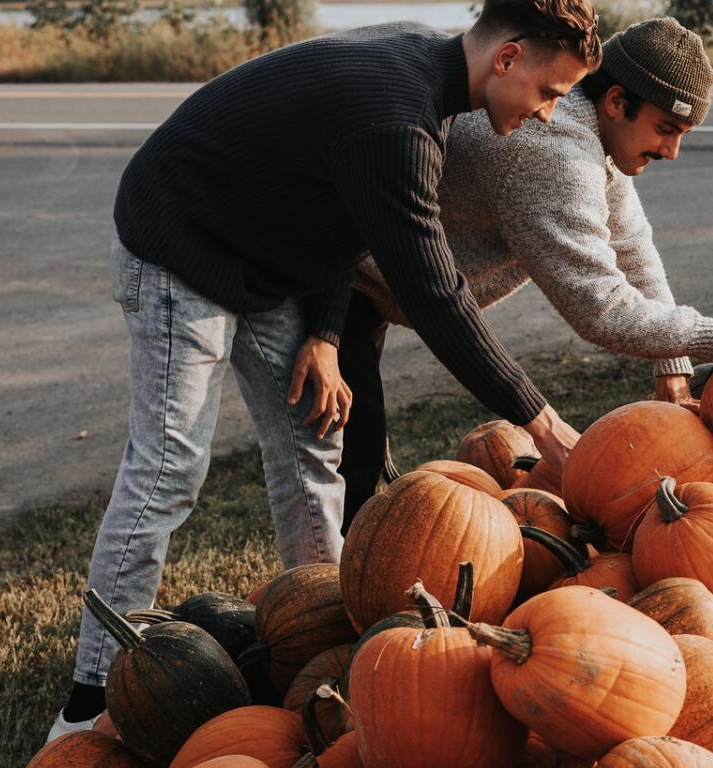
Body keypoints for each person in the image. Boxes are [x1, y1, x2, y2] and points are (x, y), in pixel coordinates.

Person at [48, 0, 601, 739]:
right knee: (169, 465)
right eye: (548, 93)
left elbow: (337, 207)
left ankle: (324, 636)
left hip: (265, 257)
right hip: (178, 241)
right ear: (507, 59)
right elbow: (435, 296)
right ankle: (86, 698)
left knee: (315, 441)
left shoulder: (424, 79)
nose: (544, 115)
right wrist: (540, 418)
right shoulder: (399, 120)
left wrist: (325, 332)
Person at [338, 17, 713, 520]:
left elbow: (632, 247)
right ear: (617, 102)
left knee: (356, 443)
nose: (672, 151)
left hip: (371, 272)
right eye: (666, 129)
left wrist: (673, 365)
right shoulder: (551, 151)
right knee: (334, 458)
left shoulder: (588, 131)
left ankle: (347, 556)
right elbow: (603, 309)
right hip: (335, 272)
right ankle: (323, 580)